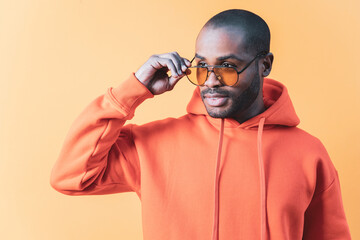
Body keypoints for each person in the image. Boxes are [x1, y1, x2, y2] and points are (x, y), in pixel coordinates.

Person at [50, 9, 351, 240]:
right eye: (202, 66)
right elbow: (70, 176)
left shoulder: (309, 154)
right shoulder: (155, 143)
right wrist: (132, 90)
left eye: (228, 67)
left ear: (265, 65)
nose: (211, 81)